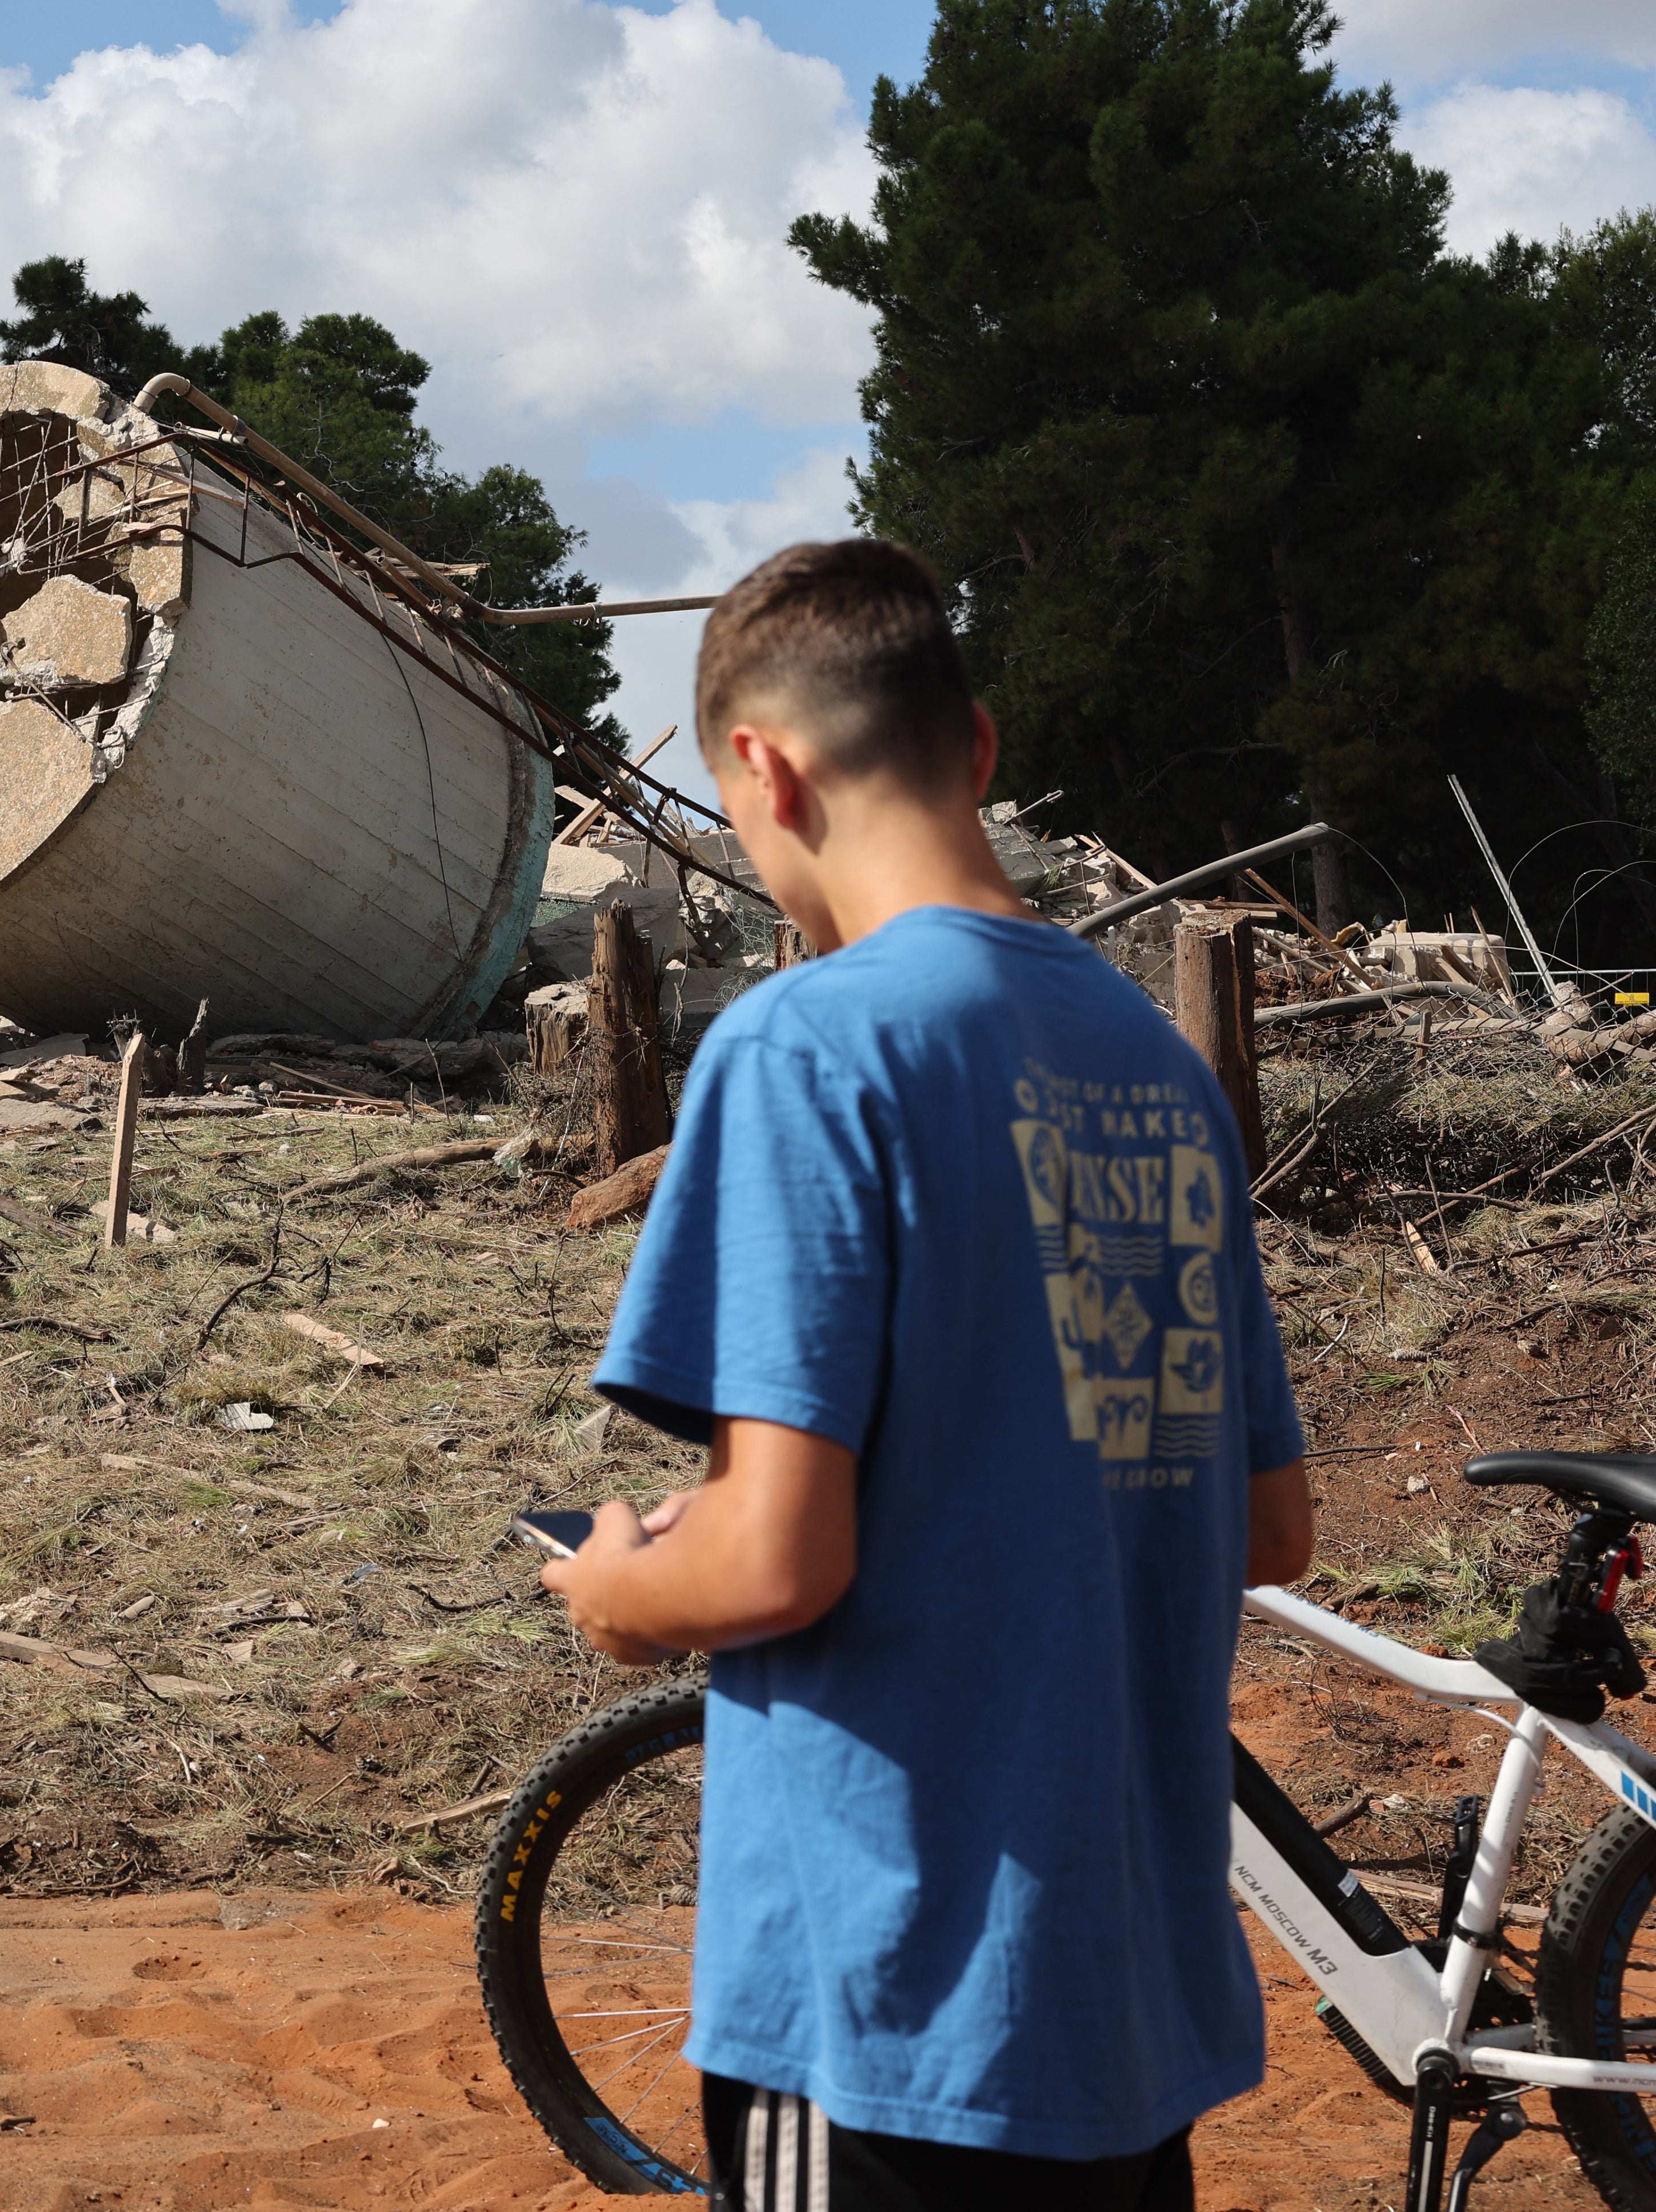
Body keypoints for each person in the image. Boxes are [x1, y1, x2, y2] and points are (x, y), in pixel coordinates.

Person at [540, 539, 1313, 2212]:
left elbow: (780, 1560)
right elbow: (1259, 1521)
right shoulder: (1154, 1068)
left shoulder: (805, 1045)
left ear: (759, 767)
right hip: (1113, 2007)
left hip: (892, 1996)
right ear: (973, 749)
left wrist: (624, 1586)